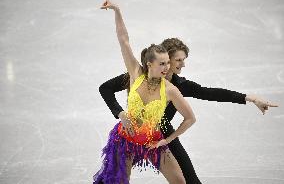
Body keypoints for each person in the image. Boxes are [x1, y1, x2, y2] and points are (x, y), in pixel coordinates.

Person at [99, 39, 278, 183]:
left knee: (190, 179)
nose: (182, 64)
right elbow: (105, 88)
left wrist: (250, 98)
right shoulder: (138, 75)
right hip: (131, 134)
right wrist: (120, 113)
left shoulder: (179, 86)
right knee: (114, 178)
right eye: (178, 60)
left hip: (161, 135)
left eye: (183, 60)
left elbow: (211, 93)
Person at [93, 0, 196, 184]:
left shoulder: (170, 90)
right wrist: (117, 11)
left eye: (168, 63)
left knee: (180, 181)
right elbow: (123, 40)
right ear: (149, 64)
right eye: (162, 63)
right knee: (118, 181)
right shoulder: (135, 74)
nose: (167, 67)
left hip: (153, 142)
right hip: (125, 140)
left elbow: (190, 118)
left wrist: (168, 139)